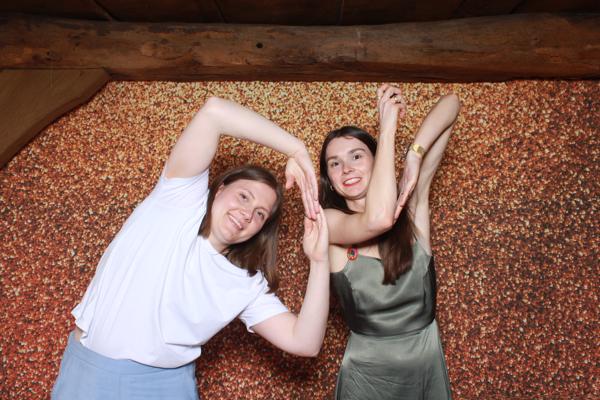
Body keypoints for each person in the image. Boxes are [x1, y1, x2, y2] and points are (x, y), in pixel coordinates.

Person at [51, 97, 330, 400]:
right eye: (244, 196)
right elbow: (214, 112)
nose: (247, 213)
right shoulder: (179, 200)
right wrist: (295, 149)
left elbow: (305, 342)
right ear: (219, 190)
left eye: (260, 213)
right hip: (88, 373)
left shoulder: (245, 284)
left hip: (163, 388)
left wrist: (319, 260)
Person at [319, 84, 460, 399]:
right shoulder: (327, 222)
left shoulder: (410, 206)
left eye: (357, 156)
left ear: (377, 160)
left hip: (425, 367)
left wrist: (414, 155)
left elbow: (451, 104)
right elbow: (377, 219)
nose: (347, 168)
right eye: (335, 163)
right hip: (366, 378)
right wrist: (387, 129)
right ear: (329, 178)